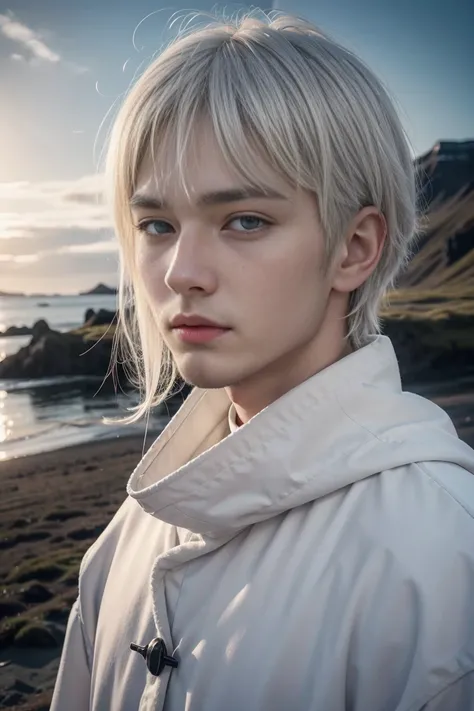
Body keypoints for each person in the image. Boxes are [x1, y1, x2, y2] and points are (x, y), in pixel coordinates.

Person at [50, 9, 474, 711]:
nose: (182, 271)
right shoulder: (125, 541)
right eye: (156, 224)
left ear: (355, 248)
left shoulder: (441, 565)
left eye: (244, 220)